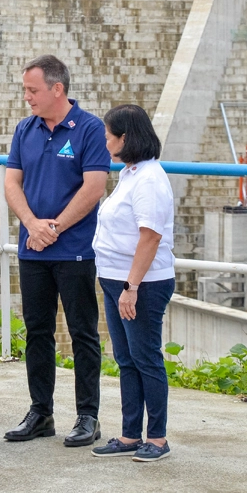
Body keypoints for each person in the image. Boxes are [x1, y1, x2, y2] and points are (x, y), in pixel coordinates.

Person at [3, 54, 110, 448]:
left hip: (75, 250)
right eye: (26, 90)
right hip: (32, 249)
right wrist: (33, 224)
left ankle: (88, 416)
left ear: (57, 88)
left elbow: (94, 187)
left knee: (83, 333)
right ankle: (40, 413)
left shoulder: (90, 128)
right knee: (37, 332)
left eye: (33, 90)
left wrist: (54, 228)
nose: (27, 97)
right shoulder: (24, 129)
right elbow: (12, 183)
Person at [89, 104, 175, 463]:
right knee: (126, 360)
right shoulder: (130, 173)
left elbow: (150, 236)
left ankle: (157, 438)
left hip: (141, 285)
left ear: (125, 138)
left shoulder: (150, 180)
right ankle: (129, 435)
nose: (105, 142)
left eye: (109, 136)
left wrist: (132, 287)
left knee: (146, 358)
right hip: (115, 281)